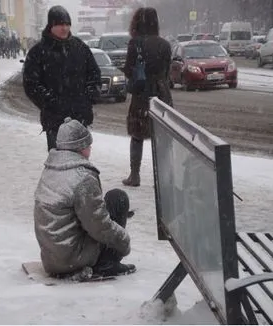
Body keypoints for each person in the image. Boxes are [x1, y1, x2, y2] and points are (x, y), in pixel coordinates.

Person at [34, 117, 136, 278]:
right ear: (80, 147)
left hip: (52, 256)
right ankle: (108, 264)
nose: (90, 149)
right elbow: (98, 225)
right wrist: (123, 241)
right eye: (89, 145)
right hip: (72, 258)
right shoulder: (83, 177)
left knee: (102, 203)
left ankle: (86, 259)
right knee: (117, 198)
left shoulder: (52, 169)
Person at [23, 5, 101, 151]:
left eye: (67, 24)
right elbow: (31, 84)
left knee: (81, 161)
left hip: (80, 117)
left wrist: (90, 96)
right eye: (59, 24)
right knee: (59, 163)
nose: (64, 28)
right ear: (51, 25)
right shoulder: (38, 52)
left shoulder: (80, 48)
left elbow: (94, 74)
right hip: (55, 120)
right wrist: (49, 101)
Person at [122, 7, 173, 187]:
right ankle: (162, 178)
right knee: (161, 137)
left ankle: (134, 175)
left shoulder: (135, 43)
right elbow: (167, 73)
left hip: (142, 93)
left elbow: (129, 70)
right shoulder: (165, 45)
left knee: (137, 135)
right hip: (162, 94)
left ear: (138, 22)